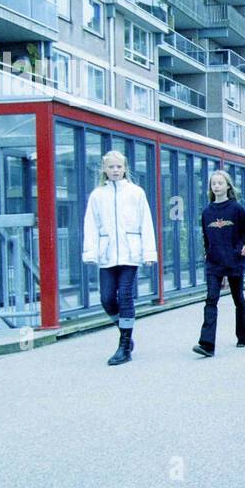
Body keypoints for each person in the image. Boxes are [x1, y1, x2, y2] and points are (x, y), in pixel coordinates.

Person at [81, 150, 158, 365]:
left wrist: (148, 253)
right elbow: (90, 224)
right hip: (107, 254)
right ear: (104, 169)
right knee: (106, 299)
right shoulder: (97, 195)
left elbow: (146, 223)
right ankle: (125, 331)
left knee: (125, 295)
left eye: (118, 167)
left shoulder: (136, 193)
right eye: (111, 167)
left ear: (125, 168)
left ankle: (124, 346)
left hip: (130, 253)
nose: (115, 170)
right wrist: (90, 252)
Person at [193, 169, 245, 357]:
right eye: (213, 183)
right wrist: (207, 255)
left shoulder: (237, 209)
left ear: (228, 186)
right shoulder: (206, 212)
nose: (216, 186)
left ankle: (243, 335)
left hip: (234, 261)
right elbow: (205, 238)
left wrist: (242, 250)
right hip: (214, 263)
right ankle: (207, 344)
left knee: (238, 298)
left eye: (220, 183)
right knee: (211, 300)